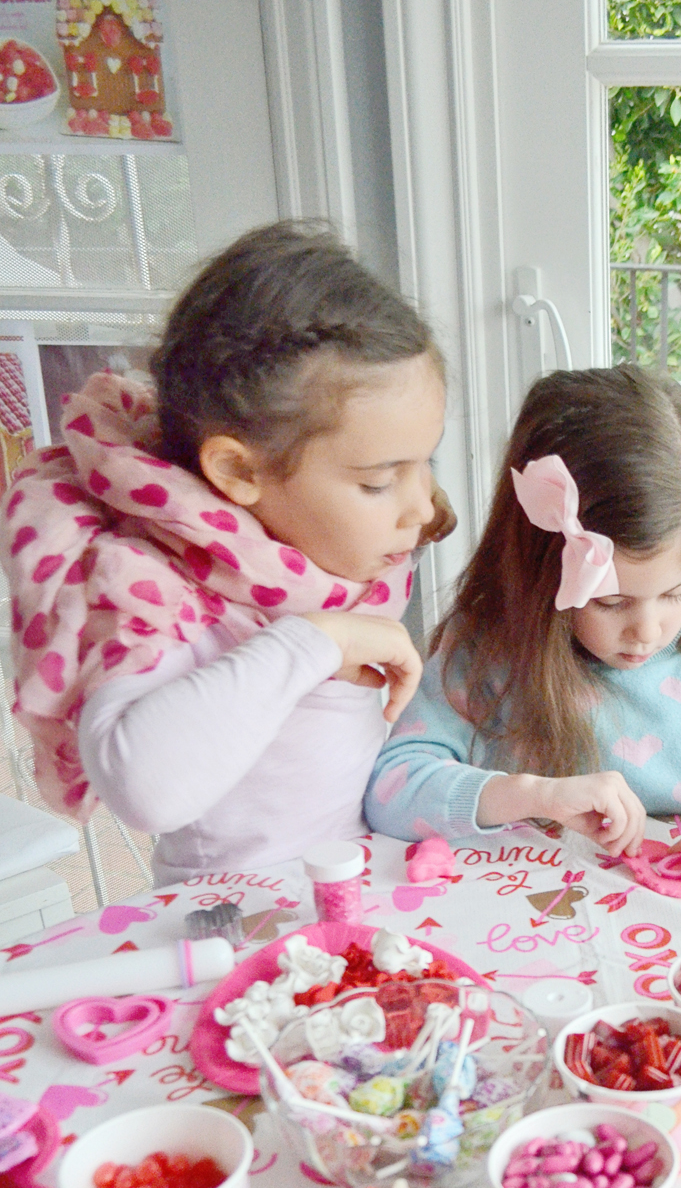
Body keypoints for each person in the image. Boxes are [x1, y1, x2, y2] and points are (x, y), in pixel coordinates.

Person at [2, 221, 454, 883]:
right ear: (240, 473)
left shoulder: (331, 560)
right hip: (230, 922)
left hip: (349, 887)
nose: (421, 506)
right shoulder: (156, 583)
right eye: (379, 481)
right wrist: (315, 640)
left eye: (426, 463)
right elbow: (144, 790)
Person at [364, 364, 681, 877]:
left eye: (673, 594)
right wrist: (533, 795)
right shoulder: (489, 648)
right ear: (540, 574)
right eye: (611, 603)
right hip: (538, 928)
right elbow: (392, 790)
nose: (649, 630)